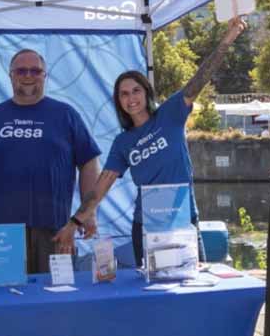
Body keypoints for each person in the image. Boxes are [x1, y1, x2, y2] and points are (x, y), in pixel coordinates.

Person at [55, 16, 248, 266]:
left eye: (136, 90)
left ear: (147, 92)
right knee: (150, 287)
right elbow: (102, 186)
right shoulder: (123, 142)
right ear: (119, 102)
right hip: (146, 227)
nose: (131, 98)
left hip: (183, 219)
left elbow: (200, 78)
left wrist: (228, 38)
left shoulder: (170, 114)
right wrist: (75, 222)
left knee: (193, 284)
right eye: (124, 94)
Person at [0, 48, 101, 274]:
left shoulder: (66, 115)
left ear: (45, 76)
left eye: (35, 71)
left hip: (57, 231)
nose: (28, 75)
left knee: (57, 293)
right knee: (4, 293)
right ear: (10, 75)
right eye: (21, 70)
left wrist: (89, 212)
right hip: (1, 235)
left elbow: (89, 163)